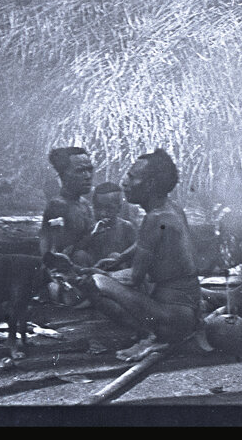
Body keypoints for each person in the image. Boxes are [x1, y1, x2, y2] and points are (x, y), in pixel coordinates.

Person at [75, 149, 202, 358]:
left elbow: (134, 278)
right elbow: (148, 242)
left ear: (150, 184)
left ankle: (149, 335)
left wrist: (97, 274)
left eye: (132, 177)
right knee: (104, 278)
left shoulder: (155, 219)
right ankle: (154, 333)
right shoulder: (170, 208)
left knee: (95, 283)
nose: (125, 182)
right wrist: (121, 257)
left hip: (172, 321)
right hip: (187, 312)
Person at [40, 147, 96, 266]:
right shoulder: (57, 207)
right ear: (63, 175)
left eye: (89, 170)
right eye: (80, 171)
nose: (88, 176)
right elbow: (53, 249)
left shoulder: (84, 204)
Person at [75, 182, 139, 264]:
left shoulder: (126, 227)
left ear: (119, 208)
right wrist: (92, 234)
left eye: (109, 209)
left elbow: (135, 254)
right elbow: (77, 251)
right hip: (92, 271)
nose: (103, 213)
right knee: (80, 255)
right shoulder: (90, 226)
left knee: (115, 256)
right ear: (92, 206)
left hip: (116, 272)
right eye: (98, 208)